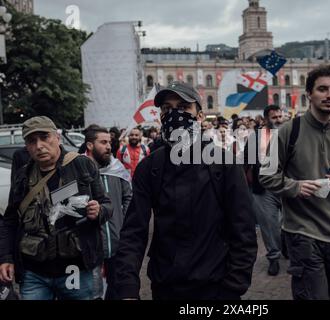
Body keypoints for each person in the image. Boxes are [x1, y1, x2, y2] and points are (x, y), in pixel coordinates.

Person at [114, 81, 257, 300]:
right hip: (166, 285)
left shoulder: (224, 164)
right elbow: (134, 231)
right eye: (168, 109)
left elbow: (243, 228)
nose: (175, 114)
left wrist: (234, 286)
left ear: (199, 116)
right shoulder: (150, 167)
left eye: (183, 107)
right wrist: (127, 287)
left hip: (216, 286)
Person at [260, 65, 330, 300]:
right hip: (303, 234)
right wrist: (295, 186)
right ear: (309, 94)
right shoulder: (288, 131)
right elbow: (267, 175)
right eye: (322, 89)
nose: (329, 94)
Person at [0, 116, 112, 300]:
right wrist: (5, 257)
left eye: (45, 137)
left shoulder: (82, 165)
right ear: (26, 146)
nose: (39, 145)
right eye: (32, 141)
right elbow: (10, 220)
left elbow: (107, 204)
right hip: (34, 272)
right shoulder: (22, 176)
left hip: (76, 268)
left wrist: (99, 211)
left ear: (57, 137)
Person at [84, 127, 132, 300]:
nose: (108, 147)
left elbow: (128, 196)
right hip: (91, 247)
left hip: (117, 242)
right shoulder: (79, 170)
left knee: (117, 289)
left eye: (109, 142)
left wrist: (123, 221)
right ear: (90, 145)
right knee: (94, 293)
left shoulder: (116, 168)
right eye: (103, 143)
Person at [246, 105, 284, 276]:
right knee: (269, 225)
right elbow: (246, 163)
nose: (278, 120)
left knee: (288, 223)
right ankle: (274, 257)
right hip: (264, 189)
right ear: (266, 119)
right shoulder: (255, 138)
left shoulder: (288, 135)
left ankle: (286, 247)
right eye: (274, 117)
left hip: (287, 186)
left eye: (280, 116)